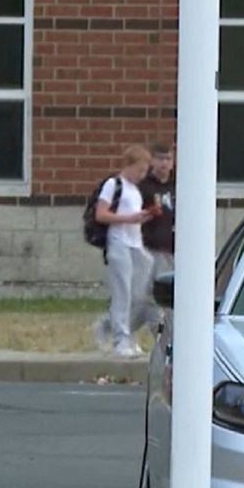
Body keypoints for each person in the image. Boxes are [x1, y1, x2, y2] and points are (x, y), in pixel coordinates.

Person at [91, 145, 156, 358]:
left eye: (145, 171)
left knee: (139, 294)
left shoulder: (135, 191)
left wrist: (143, 216)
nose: (142, 175)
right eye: (139, 170)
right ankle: (120, 340)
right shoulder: (113, 184)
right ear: (128, 165)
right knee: (123, 292)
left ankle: (114, 327)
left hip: (136, 243)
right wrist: (129, 219)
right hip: (119, 242)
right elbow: (101, 214)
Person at [139, 140, 176, 278]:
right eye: (160, 159)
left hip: (173, 247)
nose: (164, 163)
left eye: (168, 159)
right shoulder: (143, 186)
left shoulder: (178, 185)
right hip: (149, 246)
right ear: (152, 161)